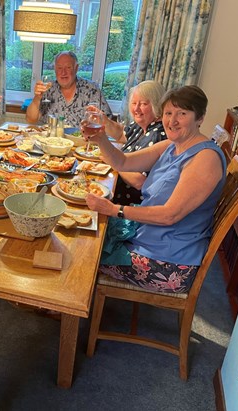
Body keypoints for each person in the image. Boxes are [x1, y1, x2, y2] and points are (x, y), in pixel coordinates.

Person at [84, 85, 226, 293]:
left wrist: (115, 210)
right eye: (168, 113)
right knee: (89, 229)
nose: (172, 120)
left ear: (200, 118)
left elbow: (170, 215)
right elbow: (122, 162)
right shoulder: (172, 145)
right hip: (149, 237)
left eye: (182, 114)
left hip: (168, 263)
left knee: (87, 253)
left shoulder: (205, 158)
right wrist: (101, 139)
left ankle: (66, 309)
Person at [103, 80, 167, 205]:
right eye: (134, 103)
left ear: (157, 105)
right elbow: (121, 134)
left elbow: (139, 181)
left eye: (143, 104)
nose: (136, 108)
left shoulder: (157, 135)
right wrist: (103, 121)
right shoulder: (142, 124)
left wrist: (112, 161)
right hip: (117, 193)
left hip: (130, 207)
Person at [25, 51, 112, 127]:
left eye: (68, 67)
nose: (63, 72)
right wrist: (37, 98)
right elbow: (31, 120)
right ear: (55, 69)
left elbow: (106, 123)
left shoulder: (92, 90)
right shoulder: (48, 88)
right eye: (59, 68)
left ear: (76, 68)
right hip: (51, 143)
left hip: (81, 143)